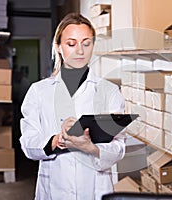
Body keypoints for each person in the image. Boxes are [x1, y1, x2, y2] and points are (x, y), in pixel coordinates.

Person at [19, 13, 126, 200]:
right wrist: (58, 140)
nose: (80, 51)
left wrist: (90, 147)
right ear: (58, 47)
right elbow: (28, 143)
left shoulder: (109, 91)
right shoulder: (39, 91)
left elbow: (119, 148)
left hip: (95, 189)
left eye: (86, 43)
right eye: (71, 43)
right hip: (53, 188)